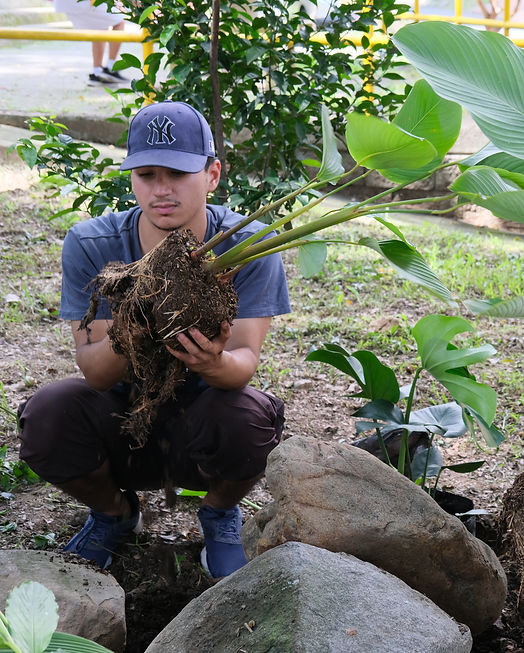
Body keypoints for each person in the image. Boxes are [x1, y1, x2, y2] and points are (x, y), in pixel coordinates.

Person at [17, 100, 290, 579]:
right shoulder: (93, 245)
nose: (161, 190)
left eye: (178, 174)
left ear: (212, 174)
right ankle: (114, 514)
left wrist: (210, 362)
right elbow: (96, 371)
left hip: (203, 419)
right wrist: (137, 325)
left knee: (251, 421)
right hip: (123, 416)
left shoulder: (248, 246)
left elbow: (244, 361)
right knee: (47, 416)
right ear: (131, 179)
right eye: (146, 175)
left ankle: (219, 512)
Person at [52, 0, 129, 86]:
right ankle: (110, 68)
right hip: (81, 3)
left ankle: (97, 72)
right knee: (119, 21)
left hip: (62, 3)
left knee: (99, 26)